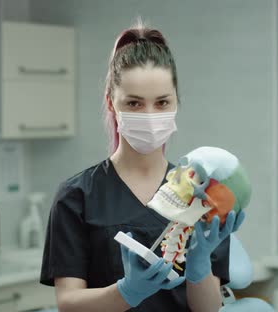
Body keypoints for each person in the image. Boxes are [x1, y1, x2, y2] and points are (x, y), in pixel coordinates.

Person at [40, 21, 244, 312]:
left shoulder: (200, 193)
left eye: (162, 103)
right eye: (134, 104)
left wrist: (199, 268)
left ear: (176, 102)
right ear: (112, 104)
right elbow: (69, 304)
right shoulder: (77, 197)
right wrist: (127, 292)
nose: (150, 115)